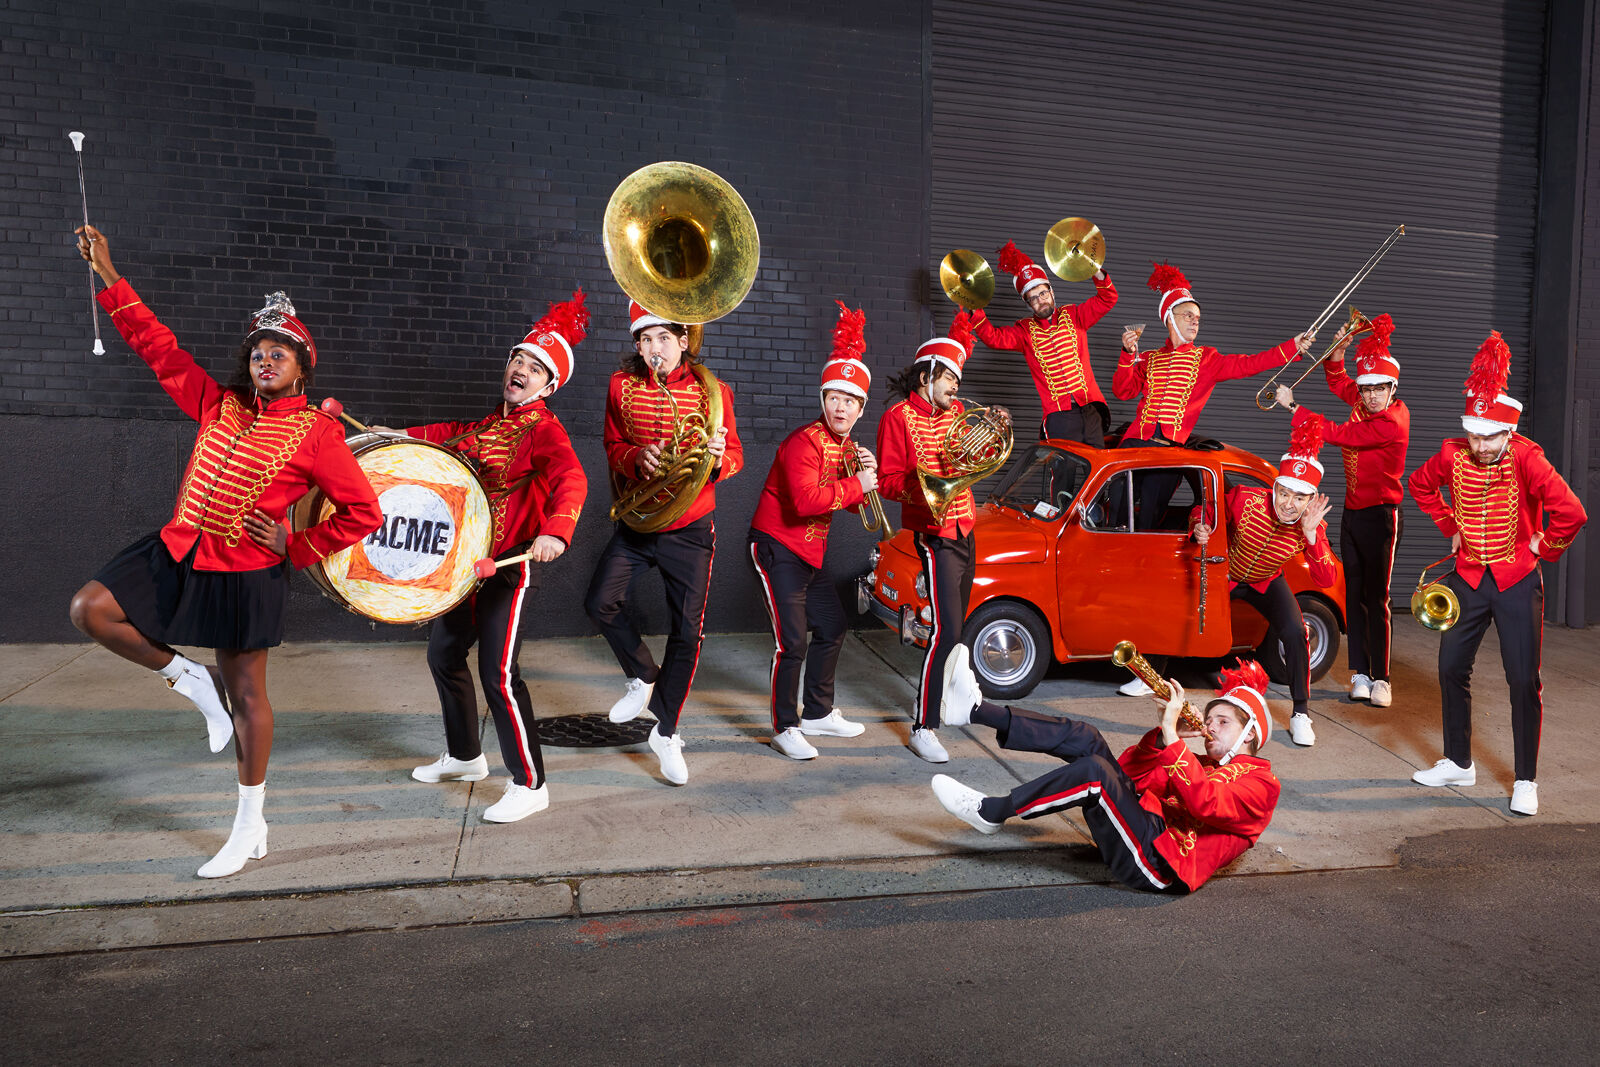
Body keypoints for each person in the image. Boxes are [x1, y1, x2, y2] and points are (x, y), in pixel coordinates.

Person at [67, 224, 381, 878]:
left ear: (302, 366)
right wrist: (108, 271)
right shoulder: (218, 403)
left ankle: (249, 823)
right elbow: (158, 347)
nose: (266, 361)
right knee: (90, 609)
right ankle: (188, 678)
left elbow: (364, 512)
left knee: (250, 695)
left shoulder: (318, 434)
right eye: (259, 352)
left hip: (248, 573)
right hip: (181, 547)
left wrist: (296, 544)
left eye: (280, 354)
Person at [400, 293, 589, 822]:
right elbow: (445, 438)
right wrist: (392, 438)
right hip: (466, 567)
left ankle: (531, 783)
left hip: (508, 568)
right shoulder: (488, 423)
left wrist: (558, 531)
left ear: (549, 386)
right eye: (518, 361)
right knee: (442, 655)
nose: (520, 371)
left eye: (534, 368)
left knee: (499, 676)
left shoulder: (543, 429)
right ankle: (465, 756)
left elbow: (572, 479)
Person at [1408, 332, 1586, 816]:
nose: (1481, 444)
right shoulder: (1451, 454)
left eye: (1490, 435)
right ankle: (1458, 761)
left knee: (1523, 680)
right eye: (1474, 434)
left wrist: (1543, 545)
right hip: (1467, 579)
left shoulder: (1528, 457)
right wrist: (1451, 525)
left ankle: (1525, 778)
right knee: (1449, 668)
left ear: (1508, 431)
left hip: (1516, 581)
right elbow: (1420, 485)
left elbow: (1571, 512)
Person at [931, 648, 1281, 894]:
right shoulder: (1199, 764)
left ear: (1250, 733)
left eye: (1222, 721)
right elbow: (1131, 776)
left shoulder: (1263, 784)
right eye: (1209, 719)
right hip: (1144, 828)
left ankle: (991, 812)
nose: (1210, 726)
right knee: (1087, 738)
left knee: (1095, 774)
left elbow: (1206, 803)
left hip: (1159, 865)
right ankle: (975, 710)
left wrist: (1174, 739)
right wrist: (1161, 737)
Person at [585, 300, 743, 786]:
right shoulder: (620, 385)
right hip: (638, 519)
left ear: (682, 340)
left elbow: (734, 455)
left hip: (691, 527)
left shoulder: (714, 391)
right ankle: (642, 674)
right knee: (599, 603)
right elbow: (612, 445)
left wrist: (716, 459)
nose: (655, 349)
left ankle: (667, 731)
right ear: (638, 344)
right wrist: (637, 459)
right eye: (646, 339)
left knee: (688, 631)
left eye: (664, 339)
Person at [876, 311, 1008, 763]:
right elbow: (888, 480)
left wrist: (991, 436)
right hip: (933, 535)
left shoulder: (957, 413)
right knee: (943, 631)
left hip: (966, 526)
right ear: (928, 374)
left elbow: (976, 461)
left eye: (958, 376)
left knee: (957, 627)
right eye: (949, 376)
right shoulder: (897, 417)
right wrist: (922, 481)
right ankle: (923, 724)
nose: (955, 384)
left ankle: (952, 693)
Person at [747, 301, 876, 759]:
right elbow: (805, 503)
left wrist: (865, 480)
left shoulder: (845, 445)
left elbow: (842, 503)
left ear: (861, 408)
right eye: (833, 397)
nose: (839, 406)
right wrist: (856, 483)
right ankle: (784, 727)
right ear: (823, 400)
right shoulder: (804, 441)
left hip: (808, 555)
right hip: (777, 547)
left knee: (834, 625)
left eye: (849, 400)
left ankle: (818, 712)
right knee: (792, 640)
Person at [1112, 262, 1314, 531]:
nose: (1196, 321)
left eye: (1198, 317)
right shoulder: (1149, 357)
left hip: (1167, 454)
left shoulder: (1206, 359)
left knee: (1148, 520)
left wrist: (1291, 348)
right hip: (1132, 445)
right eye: (1188, 315)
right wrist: (1127, 355)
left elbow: (1250, 363)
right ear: (1170, 318)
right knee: (1112, 514)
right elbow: (1122, 391)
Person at [1274, 313, 1408, 708]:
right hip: (1352, 512)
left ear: (1392, 387)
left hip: (1381, 516)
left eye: (1378, 389)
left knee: (1376, 596)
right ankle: (1361, 674)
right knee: (1353, 593)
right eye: (1365, 389)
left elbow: (1339, 434)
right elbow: (1336, 379)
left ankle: (1382, 678)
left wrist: (1293, 406)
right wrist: (1341, 348)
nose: (1369, 396)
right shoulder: (1365, 404)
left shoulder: (1392, 422)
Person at [1191, 418, 1338, 745]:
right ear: (1275, 489)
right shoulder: (1245, 499)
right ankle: (1155, 673)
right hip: (1227, 574)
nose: (1289, 504)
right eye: (1284, 493)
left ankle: (1301, 712)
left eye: (1299, 498)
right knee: (1184, 610)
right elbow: (1207, 511)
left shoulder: (1312, 525)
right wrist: (1198, 528)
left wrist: (1312, 537)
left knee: (1297, 632)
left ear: (1310, 500)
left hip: (1265, 580)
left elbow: (1326, 577)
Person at [969, 240, 1117, 446]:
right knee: (1063, 473)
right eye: (1033, 298)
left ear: (1052, 292)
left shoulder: (1075, 315)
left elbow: (1107, 298)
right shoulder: (1024, 332)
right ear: (1028, 304)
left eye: (1043, 293)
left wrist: (1094, 269)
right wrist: (973, 306)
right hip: (1058, 415)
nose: (1041, 301)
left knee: (1098, 469)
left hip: (1089, 407)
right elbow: (993, 337)